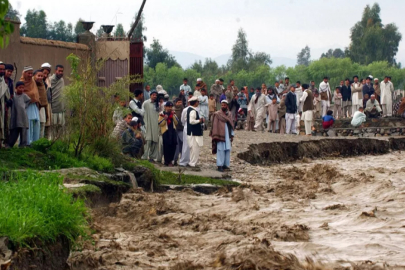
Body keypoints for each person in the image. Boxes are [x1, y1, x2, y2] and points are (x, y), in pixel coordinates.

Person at [211, 100, 234, 172]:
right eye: (222, 105)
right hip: (220, 134)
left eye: (224, 105)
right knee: (220, 150)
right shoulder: (217, 114)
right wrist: (215, 134)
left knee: (227, 149)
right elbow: (214, 125)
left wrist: (232, 134)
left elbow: (231, 124)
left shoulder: (229, 114)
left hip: (227, 134)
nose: (223, 106)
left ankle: (225, 165)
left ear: (227, 106)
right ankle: (219, 165)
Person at [20, 66, 40, 145]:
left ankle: (35, 142)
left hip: (34, 106)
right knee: (28, 124)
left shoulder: (33, 81)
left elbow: (35, 93)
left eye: (31, 73)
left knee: (36, 124)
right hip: (26, 107)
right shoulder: (21, 82)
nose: (30, 75)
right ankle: (27, 142)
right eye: (29, 73)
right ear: (24, 73)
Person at [7, 81, 31, 147]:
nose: (21, 89)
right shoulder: (13, 96)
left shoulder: (24, 96)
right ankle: (10, 144)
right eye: (20, 88)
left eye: (23, 88)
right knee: (14, 131)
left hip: (23, 117)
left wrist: (24, 106)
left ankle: (23, 145)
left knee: (23, 132)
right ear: (16, 88)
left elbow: (29, 101)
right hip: (15, 116)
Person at [158, 101, 179, 166]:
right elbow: (160, 124)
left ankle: (171, 160)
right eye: (168, 107)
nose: (170, 108)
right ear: (165, 107)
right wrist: (164, 119)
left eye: (171, 107)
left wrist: (173, 116)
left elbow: (177, 122)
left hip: (172, 131)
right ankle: (166, 161)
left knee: (173, 145)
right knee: (166, 147)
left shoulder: (173, 114)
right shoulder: (162, 114)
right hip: (166, 132)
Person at [142, 90, 159, 162]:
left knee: (155, 141)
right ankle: (144, 157)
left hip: (156, 125)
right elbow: (142, 112)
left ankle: (152, 157)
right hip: (147, 124)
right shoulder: (146, 103)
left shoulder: (157, 104)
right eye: (153, 95)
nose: (154, 96)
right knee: (147, 141)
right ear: (150, 95)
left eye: (156, 95)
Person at [186, 96, 204, 168]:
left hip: (191, 132)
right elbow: (191, 121)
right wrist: (199, 121)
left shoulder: (190, 109)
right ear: (195, 103)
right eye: (197, 102)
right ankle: (193, 163)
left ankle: (192, 162)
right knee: (195, 148)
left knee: (192, 148)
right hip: (193, 132)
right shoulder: (193, 111)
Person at [49, 65, 65, 138]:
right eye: (59, 71)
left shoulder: (62, 80)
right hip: (53, 107)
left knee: (61, 125)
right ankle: (53, 141)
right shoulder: (50, 80)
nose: (61, 73)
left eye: (62, 71)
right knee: (54, 125)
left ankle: (60, 141)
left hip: (61, 107)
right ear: (55, 71)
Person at [33, 70, 48, 138]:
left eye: (41, 76)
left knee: (42, 123)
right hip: (34, 106)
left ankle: (40, 140)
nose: (40, 77)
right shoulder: (32, 84)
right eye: (38, 76)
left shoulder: (43, 84)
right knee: (35, 124)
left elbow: (44, 97)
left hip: (42, 106)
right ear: (34, 76)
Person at [0, 63, 10, 146]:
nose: (2, 71)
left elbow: (7, 95)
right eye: (0, 69)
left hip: (2, 106)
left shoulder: (3, 82)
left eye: (3, 69)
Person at [179, 100, 191, 167]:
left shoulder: (197, 109)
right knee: (186, 145)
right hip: (187, 127)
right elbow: (182, 120)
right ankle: (183, 161)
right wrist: (185, 125)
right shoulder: (185, 110)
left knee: (192, 146)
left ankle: (190, 161)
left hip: (193, 129)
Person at [173, 98, 184, 166]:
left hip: (181, 129)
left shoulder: (184, 109)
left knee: (183, 144)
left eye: (181, 102)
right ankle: (175, 159)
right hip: (174, 129)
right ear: (176, 103)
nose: (180, 104)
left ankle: (182, 159)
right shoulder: (173, 109)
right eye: (178, 102)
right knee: (176, 145)